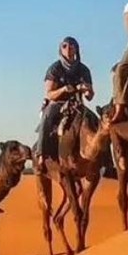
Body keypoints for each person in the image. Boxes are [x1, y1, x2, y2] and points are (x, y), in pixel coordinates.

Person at [34, 37, 94, 165]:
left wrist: (88, 91)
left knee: (97, 122)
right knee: (47, 116)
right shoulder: (55, 68)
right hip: (58, 103)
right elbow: (49, 94)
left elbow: (90, 96)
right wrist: (63, 90)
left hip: (77, 104)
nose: (68, 48)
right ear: (60, 49)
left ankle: (108, 162)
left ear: (76, 49)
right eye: (64, 46)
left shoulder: (83, 70)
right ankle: (41, 153)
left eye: (72, 46)